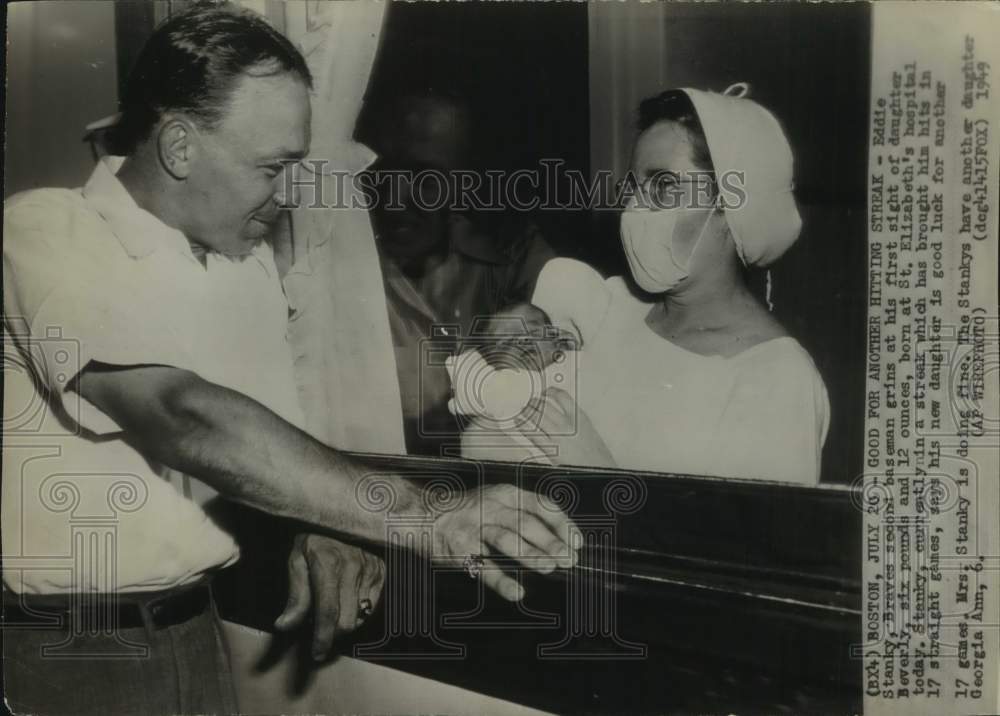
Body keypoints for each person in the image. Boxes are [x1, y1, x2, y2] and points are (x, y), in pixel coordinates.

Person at [1, 7, 578, 715]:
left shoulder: (245, 267)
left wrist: (322, 527)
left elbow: (265, 441)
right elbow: (178, 413)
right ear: (180, 147)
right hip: (69, 655)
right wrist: (421, 515)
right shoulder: (43, 231)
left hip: (195, 632)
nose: (284, 198)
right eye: (270, 169)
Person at [459, 84, 830, 485]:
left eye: (665, 186)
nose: (635, 209)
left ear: (733, 206)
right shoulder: (603, 309)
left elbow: (747, 546)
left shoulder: (776, 379)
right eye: (633, 188)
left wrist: (601, 477)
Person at [361, 90, 556, 455]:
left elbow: (573, 343)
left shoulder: (514, 253)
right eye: (384, 172)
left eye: (425, 178)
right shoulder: (337, 264)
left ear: (463, 183)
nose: (395, 196)